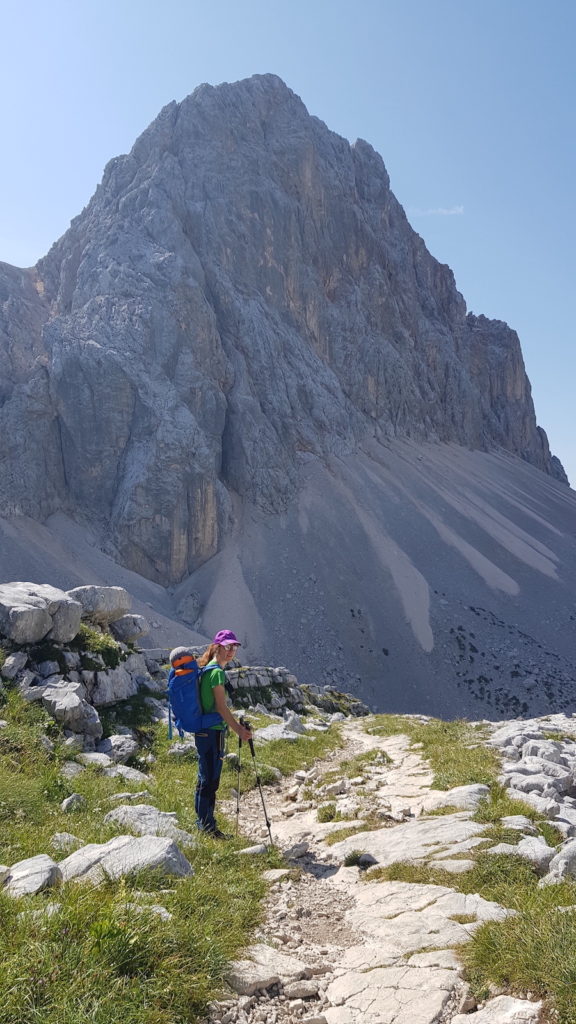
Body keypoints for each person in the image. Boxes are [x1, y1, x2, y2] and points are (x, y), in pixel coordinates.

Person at [170, 629, 251, 839]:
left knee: (206, 778)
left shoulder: (207, 669)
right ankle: (207, 828)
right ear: (217, 647)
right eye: (227, 646)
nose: (232, 650)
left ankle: (205, 825)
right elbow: (221, 708)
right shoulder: (216, 673)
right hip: (211, 733)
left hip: (206, 732)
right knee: (209, 781)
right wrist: (240, 730)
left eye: (234, 646)